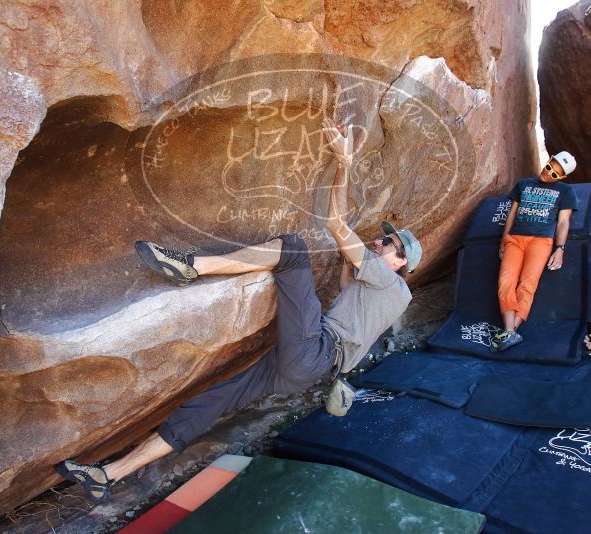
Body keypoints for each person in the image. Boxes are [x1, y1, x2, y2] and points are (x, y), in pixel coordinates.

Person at [55, 118, 422, 503]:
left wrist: (344, 161)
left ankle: (192, 265)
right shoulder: (391, 294)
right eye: (383, 238)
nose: (379, 242)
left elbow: (334, 223)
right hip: (303, 371)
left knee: (293, 248)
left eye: (388, 243)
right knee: (213, 402)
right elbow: (348, 276)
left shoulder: (385, 278)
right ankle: (107, 475)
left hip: (315, 349)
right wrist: (354, 250)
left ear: (400, 263)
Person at [491, 151, 579, 351]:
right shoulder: (524, 184)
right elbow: (512, 212)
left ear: (562, 178)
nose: (548, 174)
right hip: (515, 238)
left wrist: (560, 249)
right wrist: (504, 238)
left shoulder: (566, 191)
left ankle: (510, 331)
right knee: (505, 282)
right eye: (549, 167)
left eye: (555, 174)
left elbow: (563, 223)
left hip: (541, 242)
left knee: (527, 285)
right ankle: (510, 332)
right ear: (548, 161)